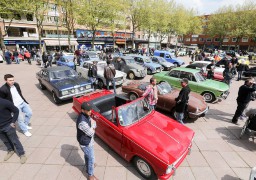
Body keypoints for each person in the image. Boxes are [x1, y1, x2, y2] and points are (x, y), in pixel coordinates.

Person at [0, 97, 27, 163]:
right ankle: (10, 150)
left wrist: (13, 122)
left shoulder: (5, 102)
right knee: (5, 141)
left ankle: (22, 154)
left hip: (8, 126)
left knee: (15, 140)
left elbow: (16, 111)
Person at [76, 102, 98, 180]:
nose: (90, 111)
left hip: (88, 141)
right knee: (91, 158)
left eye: (90, 109)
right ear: (82, 110)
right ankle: (90, 175)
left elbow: (92, 121)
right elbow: (91, 133)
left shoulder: (86, 115)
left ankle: (88, 166)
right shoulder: (82, 122)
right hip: (86, 143)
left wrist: (93, 124)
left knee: (87, 156)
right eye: (88, 110)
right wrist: (94, 126)